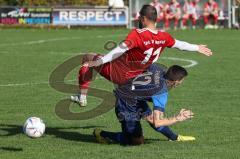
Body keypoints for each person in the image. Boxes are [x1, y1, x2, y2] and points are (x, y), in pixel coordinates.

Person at [70, 5, 212, 106]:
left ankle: (81, 97)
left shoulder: (137, 34)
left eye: (139, 17)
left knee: (87, 58)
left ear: (143, 19)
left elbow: (119, 50)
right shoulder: (164, 36)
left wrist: (99, 62)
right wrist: (197, 47)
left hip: (120, 74)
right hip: (138, 77)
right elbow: (180, 45)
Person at [93, 64, 195, 145]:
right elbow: (158, 123)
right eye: (182, 80)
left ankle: (174, 137)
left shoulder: (157, 68)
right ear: (176, 82)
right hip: (125, 102)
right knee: (137, 141)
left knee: (150, 118)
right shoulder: (161, 93)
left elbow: (141, 64)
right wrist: (178, 118)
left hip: (135, 96)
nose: (182, 82)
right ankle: (102, 134)